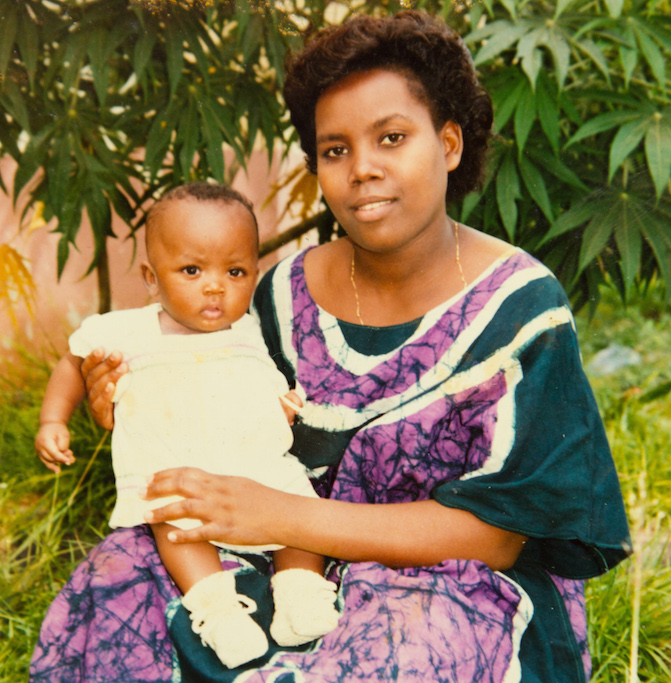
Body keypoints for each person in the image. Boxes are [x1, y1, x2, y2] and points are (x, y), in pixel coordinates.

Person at [30, 11, 631, 683]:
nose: (362, 169)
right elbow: (210, 413)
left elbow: (501, 533)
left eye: (391, 138)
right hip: (272, 555)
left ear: (450, 143)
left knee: (398, 654)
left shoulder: (519, 308)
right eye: (335, 149)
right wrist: (125, 401)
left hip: (449, 585)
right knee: (119, 580)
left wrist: (289, 514)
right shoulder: (278, 294)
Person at [33, 182, 340, 669]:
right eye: (192, 270)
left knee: (297, 507)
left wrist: (278, 403)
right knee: (176, 527)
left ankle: (300, 590)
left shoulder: (250, 326)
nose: (215, 286)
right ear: (151, 278)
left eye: (235, 271)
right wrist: (54, 419)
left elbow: (262, 378)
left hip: (257, 465)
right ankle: (217, 610)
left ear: (253, 274)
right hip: (177, 467)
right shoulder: (126, 329)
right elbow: (73, 364)